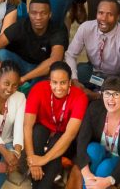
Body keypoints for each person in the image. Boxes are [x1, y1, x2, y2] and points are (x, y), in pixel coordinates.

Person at [24, 61, 88, 189]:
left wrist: (44, 159)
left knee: (55, 146)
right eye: (54, 82)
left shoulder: (80, 97)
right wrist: (32, 160)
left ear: (70, 82)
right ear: (49, 81)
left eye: (63, 83)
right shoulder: (38, 89)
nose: (58, 87)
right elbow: (27, 126)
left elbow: (70, 135)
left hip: (65, 136)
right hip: (43, 129)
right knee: (38, 132)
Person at [72, 78, 120, 187]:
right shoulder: (94, 108)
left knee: (105, 167)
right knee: (92, 149)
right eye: (107, 93)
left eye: (116, 94)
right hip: (100, 153)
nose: (111, 99)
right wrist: (86, 173)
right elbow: (82, 140)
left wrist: (109, 181)